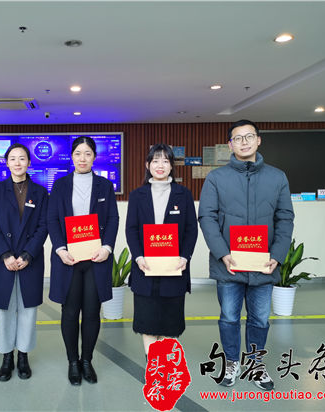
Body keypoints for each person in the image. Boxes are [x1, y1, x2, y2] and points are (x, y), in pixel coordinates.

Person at [198, 119, 294, 391]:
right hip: (229, 264)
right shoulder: (217, 178)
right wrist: (222, 253)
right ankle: (231, 362)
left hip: (264, 264)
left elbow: (285, 218)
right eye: (238, 138)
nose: (244, 142)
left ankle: (255, 363)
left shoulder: (277, 177)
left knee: (260, 319)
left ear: (258, 140)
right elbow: (206, 217)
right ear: (230, 144)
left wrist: (277, 255)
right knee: (229, 317)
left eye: (249, 136)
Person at [47, 136, 119, 386]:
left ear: (94, 157)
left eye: (88, 153)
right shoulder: (60, 185)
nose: (82, 158)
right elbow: (52, 219)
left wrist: (107, 247)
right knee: (69, 312)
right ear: (72, 156)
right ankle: (72, 362)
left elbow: (112, 218)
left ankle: (86, 360)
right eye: (78, 153)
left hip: (96, 258)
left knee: (91, 312)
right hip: (68, 258)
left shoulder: (105, 185)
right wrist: (60, 249)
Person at [125, 144, 198, 359]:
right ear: (148, 165)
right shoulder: (137, 195)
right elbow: (131, 229)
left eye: (165, 161)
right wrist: (138, 257)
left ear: (171, 166)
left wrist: (185, 257)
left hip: (174, 267)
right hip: (145, 267)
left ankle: (164, 363)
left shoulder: (183, 194)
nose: (160, 165)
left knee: (169, 321)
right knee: (147, 320)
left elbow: (191, 230)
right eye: (155, 160)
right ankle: (153, 364)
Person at [0, 143, 49, 382]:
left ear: (29, 162)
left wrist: (28, 254)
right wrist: (5, 254)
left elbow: (44, 225)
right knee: (5, 310)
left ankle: (23, 356)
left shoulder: (40, 192)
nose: (18, 163)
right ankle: (6, 357)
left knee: (28, 310)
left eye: (22, 158)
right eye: (13, 158)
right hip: (4, 260)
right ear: (7, 163)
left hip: (30, 259)